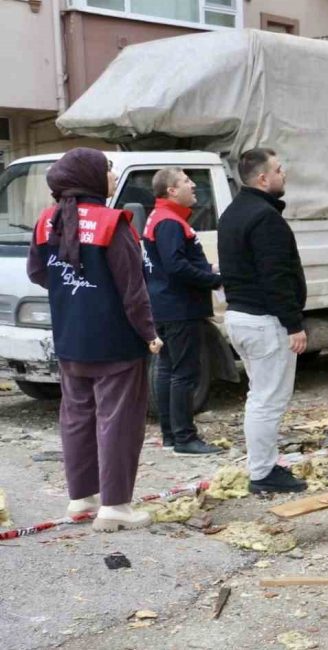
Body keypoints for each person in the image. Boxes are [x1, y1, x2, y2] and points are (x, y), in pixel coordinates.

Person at [26, 148, 163, 532]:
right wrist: (150, 334)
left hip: (70, 336)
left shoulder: (45, 222)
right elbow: (133, 291)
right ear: (89, 177)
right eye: (108, 169)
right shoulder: (112, 222)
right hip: (116, 342)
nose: (114, 176)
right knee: (117, 421)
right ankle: (116, 506)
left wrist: (74, 292)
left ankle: (81, 500)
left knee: (76, 417)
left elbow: (38, 272)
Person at [217, 148, 308, 493]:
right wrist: (294, 324)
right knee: (268, 400)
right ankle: (263, 473)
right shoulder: (265, 217)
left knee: (260, 397)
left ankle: (264, 462)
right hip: (264, 321)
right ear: (262, 179)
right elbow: (276, 276)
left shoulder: (232, 213)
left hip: (241, 316)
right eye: (279, 170)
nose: (284, 175)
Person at [142, 167, 223, 456]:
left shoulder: (161, 217)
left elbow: (170, 263)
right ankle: (185, 437)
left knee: (168, 369)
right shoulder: (169, 222)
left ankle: (171, 434)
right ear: (171, 191)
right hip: (179, 307)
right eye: (187, 182)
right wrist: (214, 279)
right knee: (184, 373)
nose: (194, 186)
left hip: (164, 305)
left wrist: (207, 269)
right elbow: (175, 266)